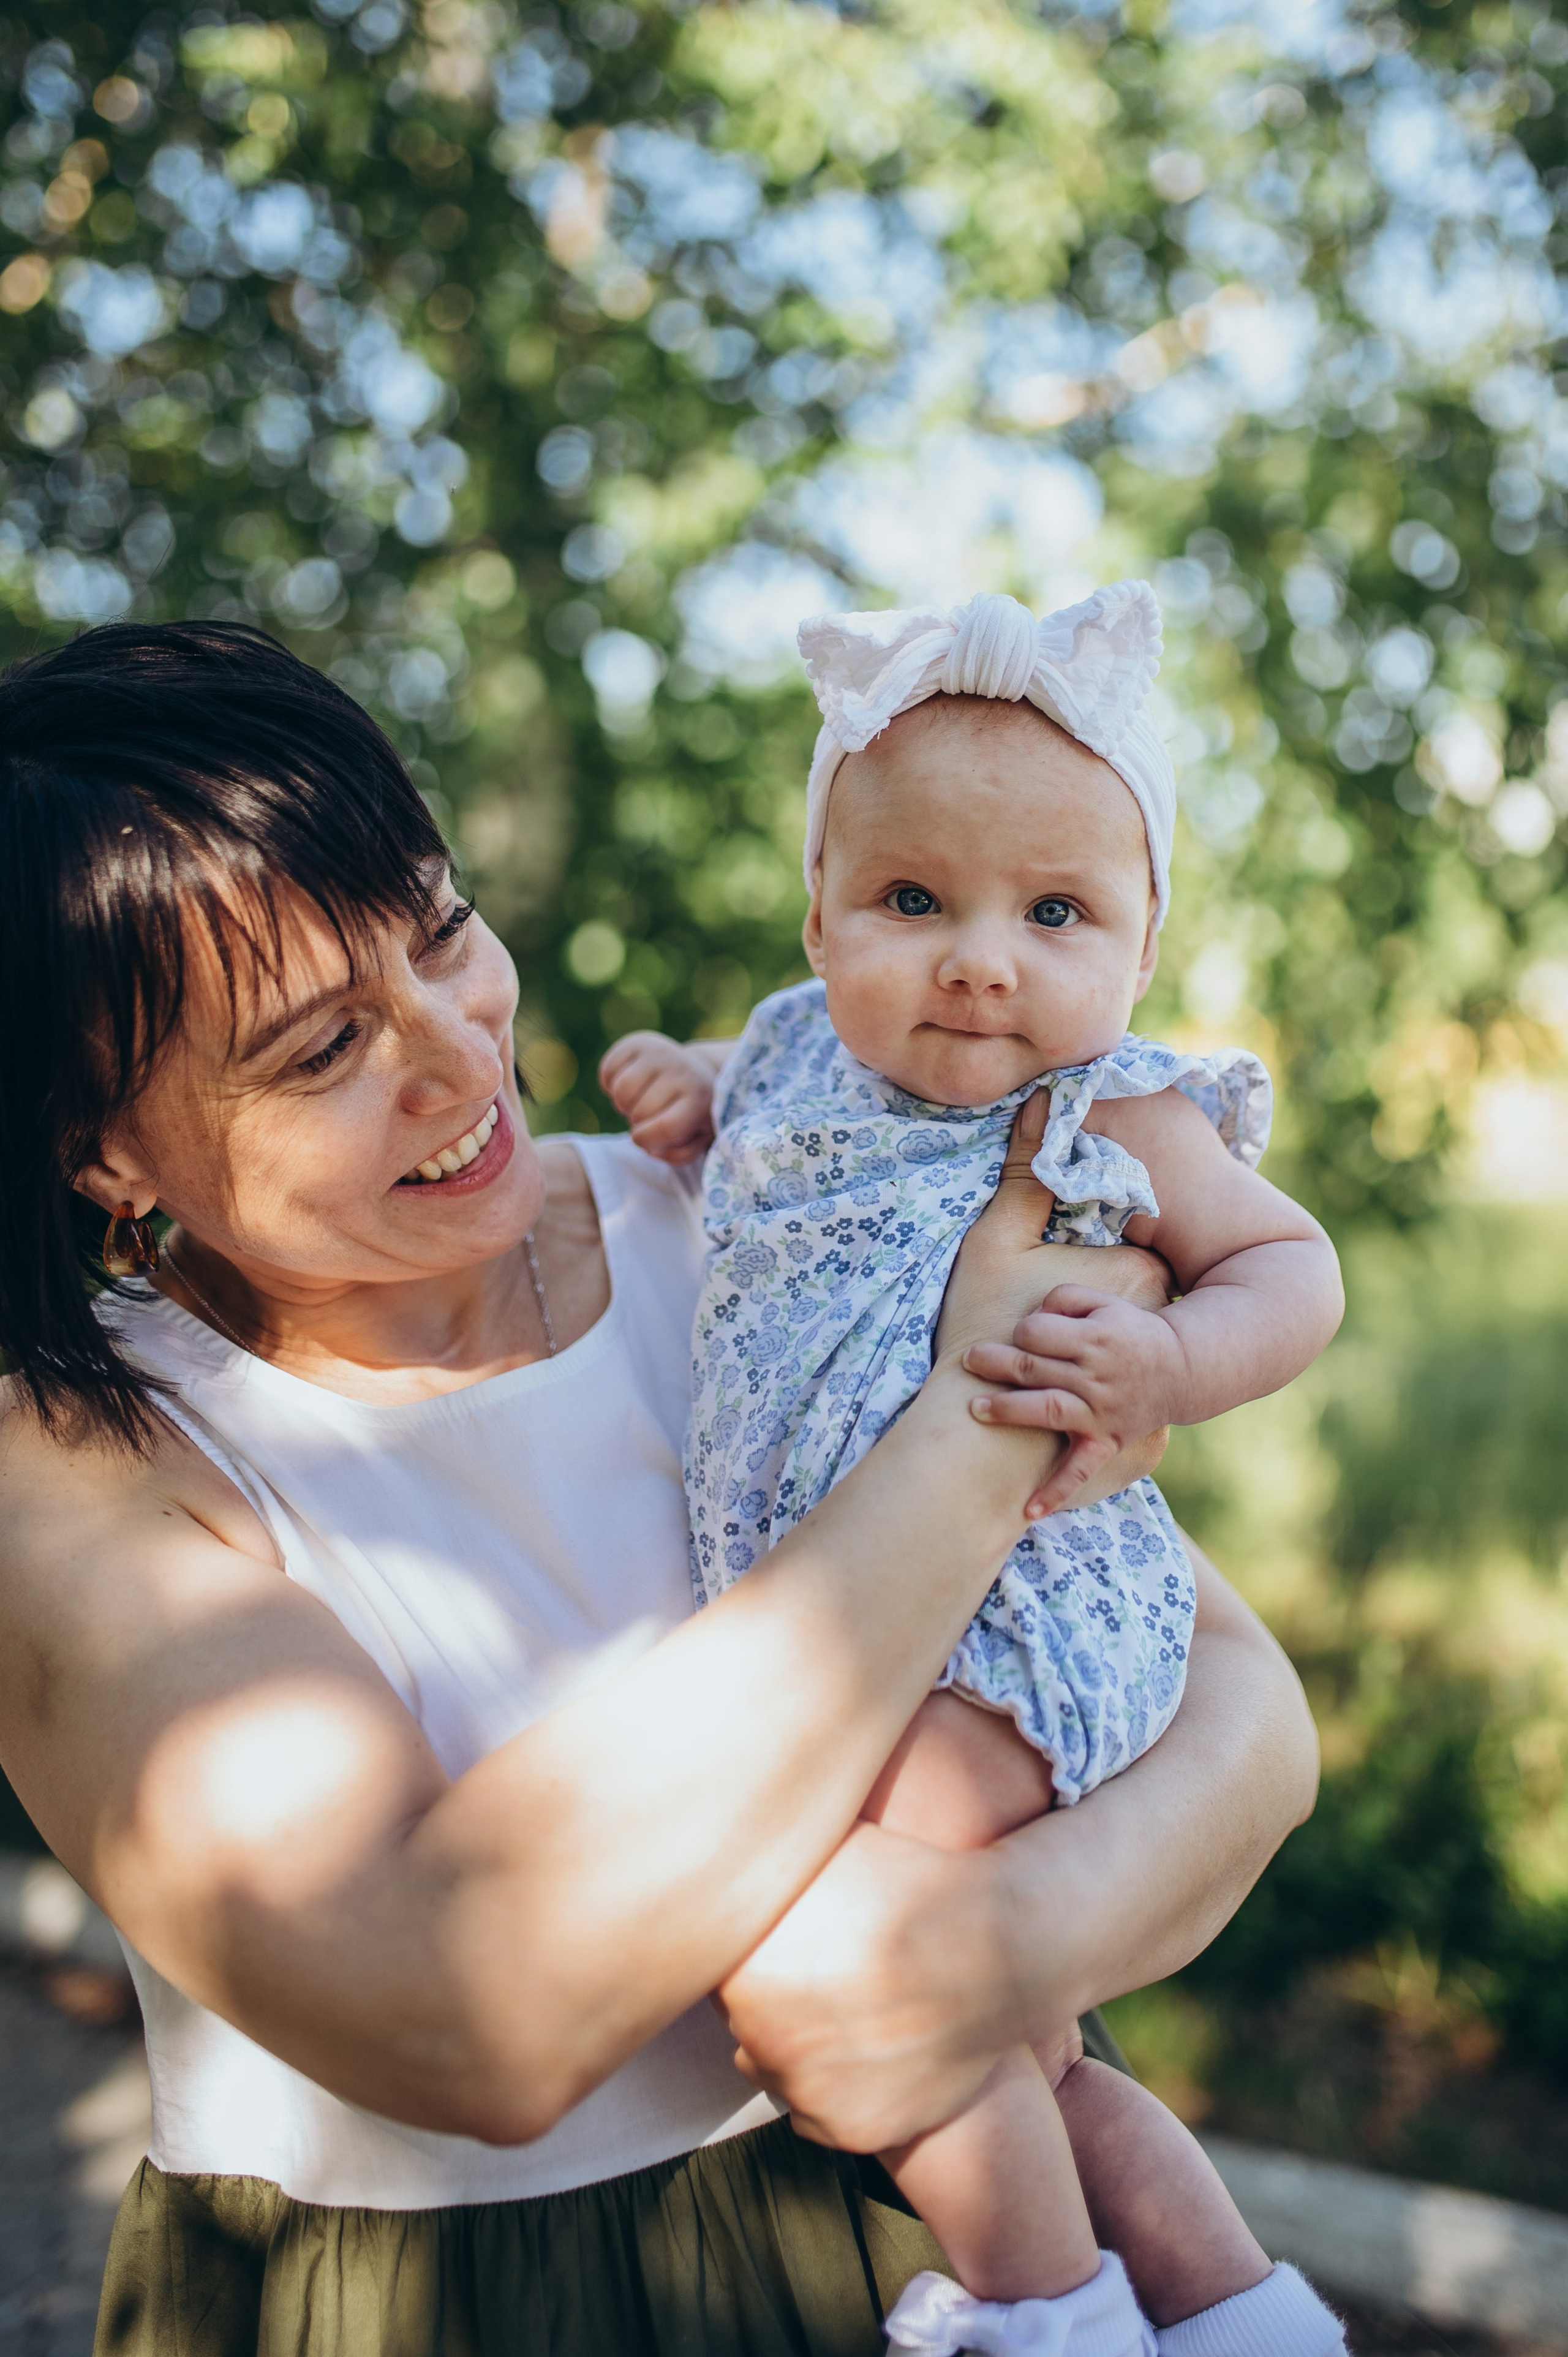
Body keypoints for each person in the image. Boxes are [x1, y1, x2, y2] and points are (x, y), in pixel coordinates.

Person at [0, 622, 1318, 2357]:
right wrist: (978, 1414)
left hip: (957, 2210)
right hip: (473, 2312)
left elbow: (1241, 1709)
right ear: (100, 1142)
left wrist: (977, 1954)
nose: (460, 1056)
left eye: (444, 933)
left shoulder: (760, 1213)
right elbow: (460, 2011)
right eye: (322, 1051)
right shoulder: (78, 1456)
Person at [603, 584, 1346, 2356]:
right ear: (820, 917)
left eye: (1055, 910)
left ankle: (1046, 2313)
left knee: (866, 1949)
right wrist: (688, 1087)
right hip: (868, 1618)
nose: (979, 958)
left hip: (1023, 1619)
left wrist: (1166, 1359)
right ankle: (1236, 2317)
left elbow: (1296, 1270)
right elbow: (759, 1097)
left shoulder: (1112, 1116)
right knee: (1027, 2057)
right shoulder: (795, 1043)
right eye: (912, 901)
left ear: (1142, 947)